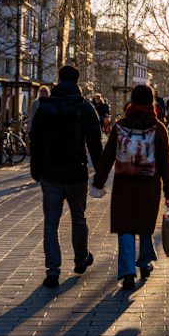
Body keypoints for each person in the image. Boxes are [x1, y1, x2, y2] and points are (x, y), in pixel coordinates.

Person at [91, 84, 169, 291]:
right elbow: (165, 162)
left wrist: (98, 182)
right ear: (151, 102)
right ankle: (145, 263)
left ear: (132, 101)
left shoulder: (120, 126)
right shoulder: (158, 128)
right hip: (149, 184)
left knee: (125, 227)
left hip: (124, 184)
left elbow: (107, 156)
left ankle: (127, 273)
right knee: (145, 224)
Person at [31, 65, 104, 287]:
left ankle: (53, 272)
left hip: (50, 173)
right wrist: (100, 174)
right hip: (76, 173)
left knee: (51, 222)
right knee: (78, 217)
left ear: (59, 81)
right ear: (77, 82)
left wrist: (36, 170)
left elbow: (35, 140)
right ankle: (81, 259)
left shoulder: (45, 106)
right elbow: (94, 143)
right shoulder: (85, 107)